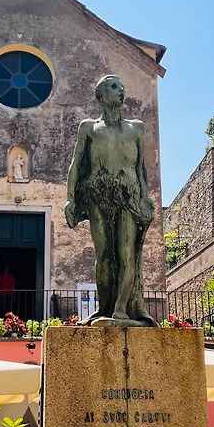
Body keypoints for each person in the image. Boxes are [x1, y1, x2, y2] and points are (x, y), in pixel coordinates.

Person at [65, 75, 156, 325]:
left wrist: (146, 196)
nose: (121, 90)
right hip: (98, 196)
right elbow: (76, 164)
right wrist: (70, 198)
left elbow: (140, 168)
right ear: (101, 95)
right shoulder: (89, 127)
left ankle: (121, 306)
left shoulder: (136, 127)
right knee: (103, 254)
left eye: (122, 86)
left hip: (128, 195)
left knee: (126, 253)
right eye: (114, 87)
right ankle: (104, 306)